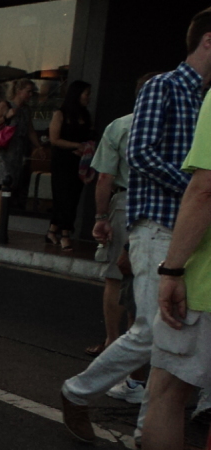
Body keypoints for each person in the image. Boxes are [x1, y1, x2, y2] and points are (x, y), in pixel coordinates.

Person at [61, 8, 211, 450]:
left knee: (172, 334)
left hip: (186, 232)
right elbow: (142, 154)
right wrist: (197, 189)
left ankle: (153, 432)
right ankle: (77, 393)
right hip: (156, 225)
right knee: (150, 331)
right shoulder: (164, 86)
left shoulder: (206, 96)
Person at [98, 74, 211, 450]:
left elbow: (204, 190)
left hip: (205, 281)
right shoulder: (169, 89)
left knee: (166, 391)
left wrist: (173, 268)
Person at [86, 74, 158, 360]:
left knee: (117, 276)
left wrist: (100, 216)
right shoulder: (181, 123)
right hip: (168, 204)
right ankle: (141, 343)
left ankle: (112, 342)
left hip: (126, 201)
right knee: (150, 276)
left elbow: (104, 177)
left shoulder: (120, 126)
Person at [0, 79, 41, 234]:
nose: (30, 95)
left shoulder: (26, 110)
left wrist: (39, 147)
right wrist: (6, 116)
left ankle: (3, 217)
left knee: (11, 185)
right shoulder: (5, 105)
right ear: (19, 91)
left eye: (31, 92)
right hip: (2, 150)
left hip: (17, 151)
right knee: (5, 183)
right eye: (28, 91)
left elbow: (30, 130)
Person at [47, 81, 95, 250]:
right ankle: (65, 233)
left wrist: (87, 148)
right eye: (86, 93)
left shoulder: (85, 115)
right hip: (62, 161)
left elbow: (90, 136)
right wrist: (76, 146)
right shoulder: (60, 114)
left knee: (73, 197)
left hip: (79, 162)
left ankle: (52, 230)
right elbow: (54, 139)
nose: (88, 97)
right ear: (77, 94)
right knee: (63, 197)